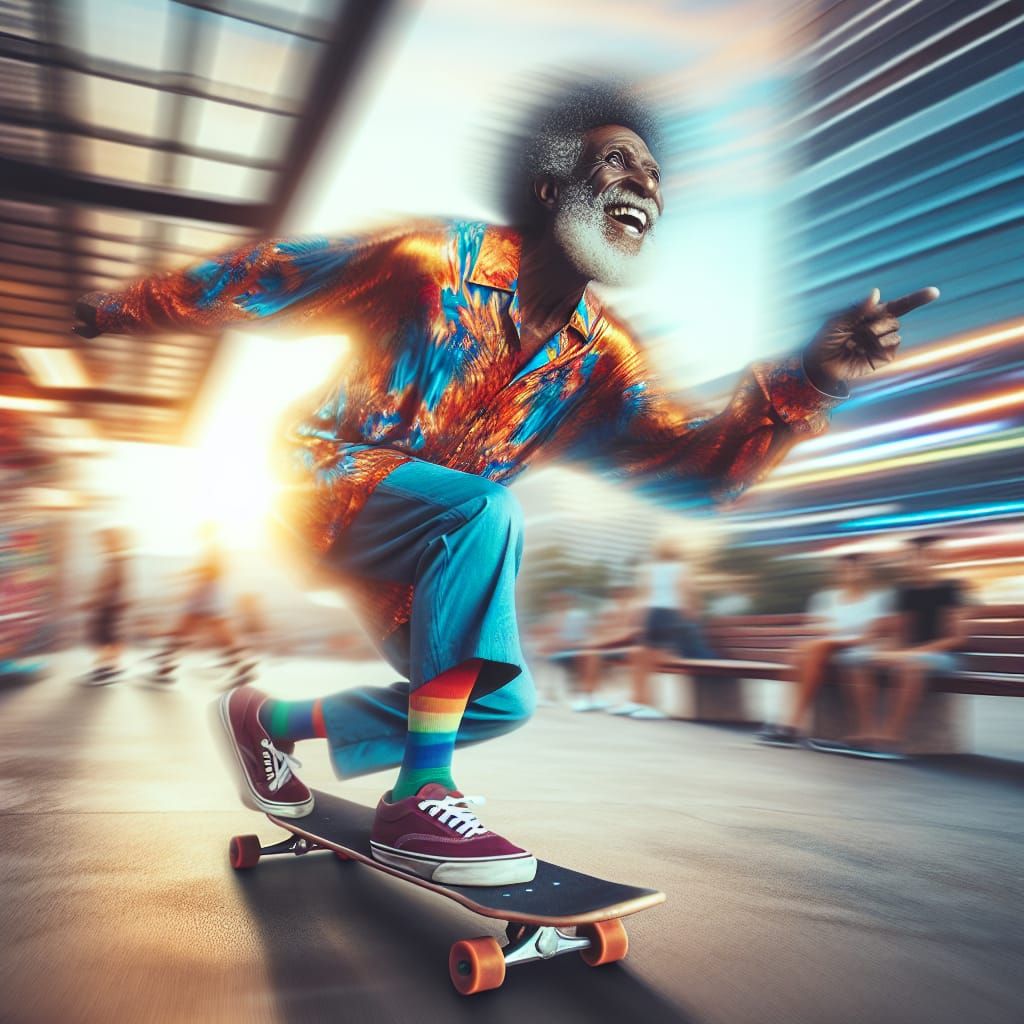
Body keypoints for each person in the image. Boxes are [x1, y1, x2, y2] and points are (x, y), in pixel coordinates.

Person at [72, 80, 937, 886]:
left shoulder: (603, 360)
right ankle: (419, 798)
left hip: (420, 551)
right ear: (550, 191)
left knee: (500, 697)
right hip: (319, 479)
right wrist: (119, 310)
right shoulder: (429, 261)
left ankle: (267, 722)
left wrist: (810, 382)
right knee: (484, 509)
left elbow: (696, 474)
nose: (645, 185)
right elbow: (267, 278)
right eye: (618, 161)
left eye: (655, 174)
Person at [827, 536, 968, 759]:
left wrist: (909, 654)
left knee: (909, 667)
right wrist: (886, 652)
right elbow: (902, 634)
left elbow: (956, 638)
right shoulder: (905, 591)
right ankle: (867, 731)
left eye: (922, 557)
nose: (915, 563)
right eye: (910, 557)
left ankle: (892, 738)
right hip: (909, 654)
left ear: (934, 559)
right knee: (857, 661)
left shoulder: (950, 588)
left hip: (943, 656)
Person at [757, 553, 893, 747]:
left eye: (857, 567)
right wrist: (833, 635)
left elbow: (872, 635)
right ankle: (786, 722)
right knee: (802, 655)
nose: (851, 572)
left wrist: (838, 635)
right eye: (846, 568)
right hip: (826, 652)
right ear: (838, 572)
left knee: (813, 648)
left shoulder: (877, 599)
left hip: (858, 650)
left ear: (866, 572)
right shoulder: (826, 598)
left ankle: (790, 724)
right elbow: (815, 628)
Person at [613, 538, 717, 719]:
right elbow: (687, 594)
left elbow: (644, 597)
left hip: (653, 614)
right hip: (671, 614)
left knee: (645, 655)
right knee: (652, 657)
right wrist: (693, 614)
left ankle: (641, 701)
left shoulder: (649, 569)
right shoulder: (681, 568)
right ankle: (647, 703)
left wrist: (639, 622)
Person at [147, 522, 254, 688]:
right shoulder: (216, 547)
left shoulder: (212, 547)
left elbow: (206, 572)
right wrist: (181, 577)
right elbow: (205, 570)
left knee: (186, 630)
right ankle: (242, 665)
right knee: (211, 631)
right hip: (212, 592)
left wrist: (187, 591)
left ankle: (164, 668)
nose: (197, 534)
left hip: (205, 593)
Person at [573, 583, 637, 712]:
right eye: (616, 593)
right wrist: (596, 641)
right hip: (610, 646)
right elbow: (602, 630)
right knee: (585, 653)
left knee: (591, 653)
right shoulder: (611, 610)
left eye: (622, 593)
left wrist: (600, 643)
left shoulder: (634, 610)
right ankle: (590, 695)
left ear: (629, 593)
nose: (618, 596)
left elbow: (629, 634)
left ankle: (590, 695)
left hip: (627, 647)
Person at [83, 527, 131, 686]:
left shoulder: (116, 559)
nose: (101, 544)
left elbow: (111, 584)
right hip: (111, 603)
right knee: (109, 635)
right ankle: (113, 666)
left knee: (103, 634)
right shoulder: (117, 558)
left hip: (109, 603)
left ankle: (106, 667)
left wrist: (96, 600)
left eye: (104, 540)